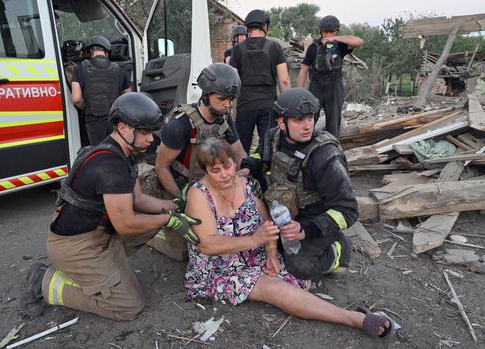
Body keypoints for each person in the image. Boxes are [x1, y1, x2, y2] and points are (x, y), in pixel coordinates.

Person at [184, 138, 393, 339]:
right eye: (215, 170)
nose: (224, 175)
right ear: (205, 171)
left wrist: (271, 253)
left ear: (234, 162)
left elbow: (267, 224)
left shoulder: (245, 183)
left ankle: (337, 251)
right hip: (219, 266)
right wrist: (254, 240)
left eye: (227, 166)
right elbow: (207, 245)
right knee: (275, 289)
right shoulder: (199, 194)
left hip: (253, 254)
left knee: (301, 281)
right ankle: (354, 318)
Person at [20, 93, 200, 321]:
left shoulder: (125, 153)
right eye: (144, 132)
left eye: (151, 132)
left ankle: (105, 270)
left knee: (157, 216)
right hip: (77, 246)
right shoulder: (109, 164)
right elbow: (125, 224)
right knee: (128, 306)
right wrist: (168, 219)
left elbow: (139, 201)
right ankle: (44, 280)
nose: (150, 139)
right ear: (123, 128)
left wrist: (176, 205)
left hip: (101, 234)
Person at [239, 88, 358, 281]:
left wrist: (306, 230)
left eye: (310, 118)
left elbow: (348, 210)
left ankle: (339, 250)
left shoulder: (326, 155)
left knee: (299, 267)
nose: (307, 126)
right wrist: (248, 168)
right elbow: (260, 155)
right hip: (281, 210)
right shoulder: (272, 137)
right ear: (281, 123)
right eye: (298, 120)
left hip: (314, 220)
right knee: (255, 246)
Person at [156, 63, 246, 198]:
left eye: (231, 99)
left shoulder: (224, 120)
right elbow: (161, 167)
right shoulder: (180, 125)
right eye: (221, 99)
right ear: (205, 96)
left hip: (216, 185)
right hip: (186, 187)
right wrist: (182, 201)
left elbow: (239, 155)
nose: (227, 105)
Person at [229, 9, 291, 154]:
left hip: (245, 104)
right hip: (268, 105)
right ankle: (266, 175)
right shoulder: (275, 47)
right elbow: (284, 80)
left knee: (242, 147)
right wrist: (288, 107)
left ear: (248, 27)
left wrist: (230, 105)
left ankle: (243, 174)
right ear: (265, 26)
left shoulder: (238, 49)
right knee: (268, 145)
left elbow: (232, 79)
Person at [296, 15, 363, 138]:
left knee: (333, 124)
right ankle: (305, 149)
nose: (328, 34)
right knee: (308, 119)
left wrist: (334, 39)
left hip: (334, 88)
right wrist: (299, 93)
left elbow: (359, 42)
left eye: (331, 31)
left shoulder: (341, 46)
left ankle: (332, 150)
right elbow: (303, 70)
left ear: (336, 31)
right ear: (320, 31)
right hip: (316, 87)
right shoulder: (313, 47)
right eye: (325, 32)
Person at [72, 35, 132, 145]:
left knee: (97, 152)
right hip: (114, 120)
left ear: (91, 51)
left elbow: (76, 99)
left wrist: (86, 107)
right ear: (107, 52)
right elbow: (128, 97)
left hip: (93, 121)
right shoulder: (119, 69)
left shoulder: (79, 68)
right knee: (115, 149)